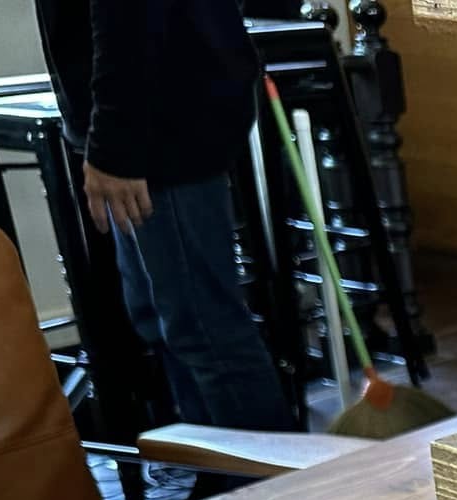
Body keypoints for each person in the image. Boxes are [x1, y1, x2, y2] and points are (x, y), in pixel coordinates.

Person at [34, 0, 295, 434]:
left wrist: (115, 145)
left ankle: (270, 475)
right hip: (157, 118)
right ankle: (211, 463)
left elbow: (130, 16)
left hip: (162, 120)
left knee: (202, 328)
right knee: (166, 323)